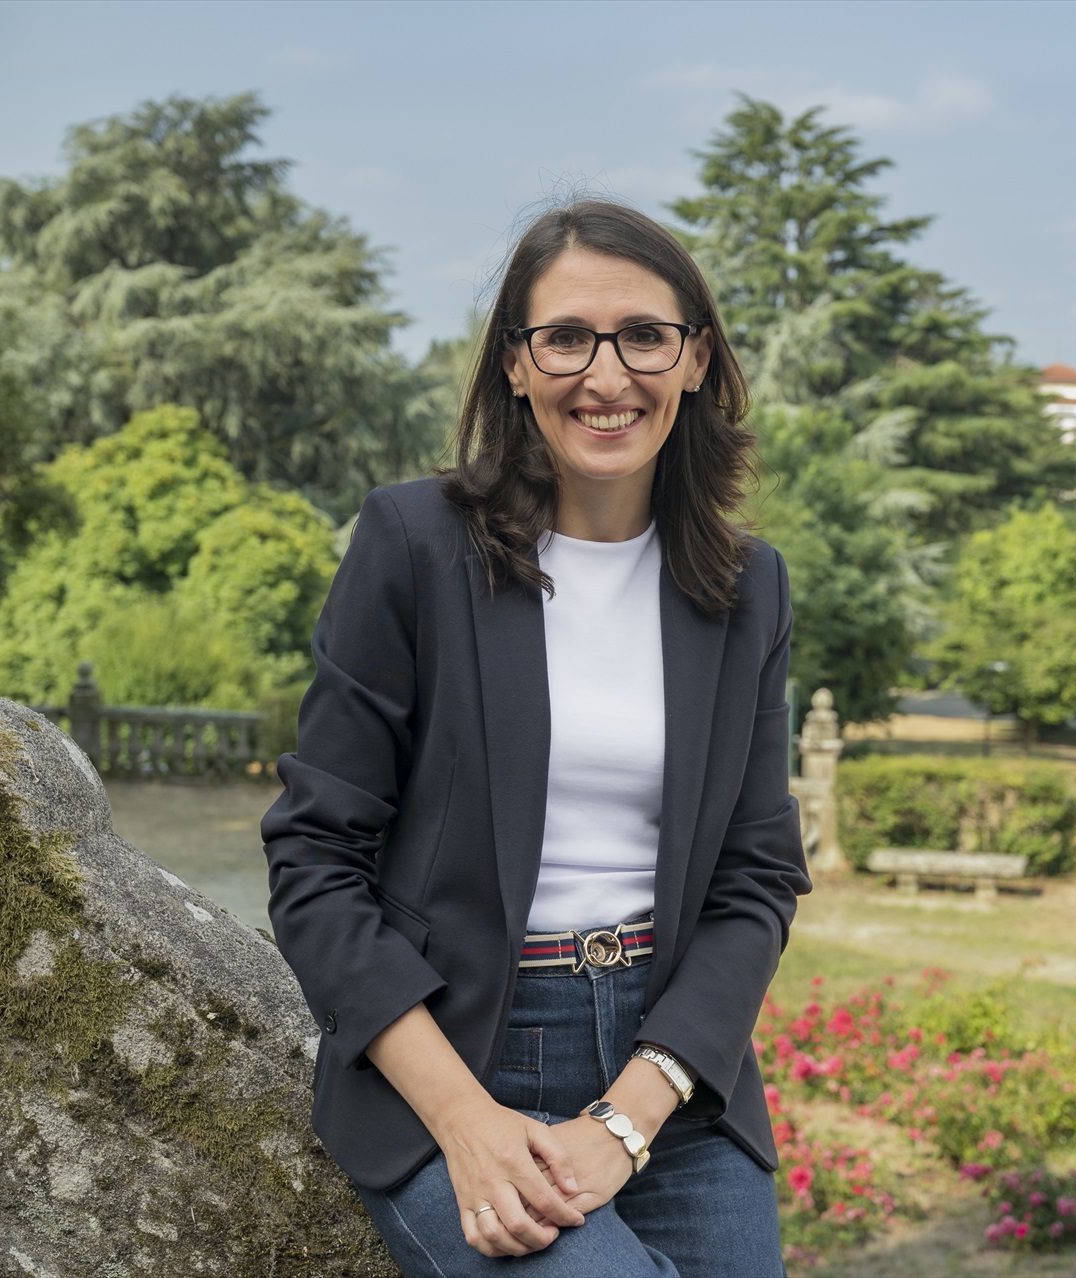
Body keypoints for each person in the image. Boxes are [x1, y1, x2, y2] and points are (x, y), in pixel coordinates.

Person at [261, 199, 809, 1276]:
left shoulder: (748, 588)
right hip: (457, 1060)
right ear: (514, 365)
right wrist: (464, 1122)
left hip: (672, 1074)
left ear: (695, 359)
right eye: (565, 338)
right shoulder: (413, 546)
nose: (606, 376)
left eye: (644, 336)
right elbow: (316, 862)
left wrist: (628, 1118)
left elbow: (755, 878)